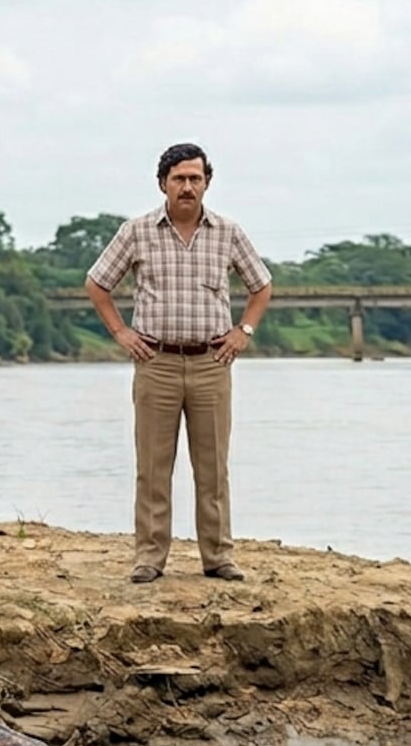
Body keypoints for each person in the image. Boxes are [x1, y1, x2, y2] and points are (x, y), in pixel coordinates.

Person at [85, 142, 273, 584]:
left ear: (207, 182)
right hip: (157, 362)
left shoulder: (228, 233)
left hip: (211, 362)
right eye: (179, 179)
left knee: (213, 467)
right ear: (163, 183)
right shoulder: (137, 232)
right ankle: (149, 556)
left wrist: (242, 331)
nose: (187, 187)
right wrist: (121, 333)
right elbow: (97, 284)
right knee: (153, 466)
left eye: (195, 178)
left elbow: (261, 286)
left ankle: (218, 556)